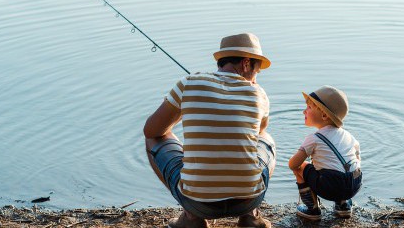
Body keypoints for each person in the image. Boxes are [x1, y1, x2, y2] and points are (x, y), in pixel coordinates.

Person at [143, 33, 276, 228]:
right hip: (248, 199)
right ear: (246, 63)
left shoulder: (189, 83)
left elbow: (151, 130)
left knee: (153, 139)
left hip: (198, 203)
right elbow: (260, 131)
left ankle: (191, 217)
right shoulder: (259, 94)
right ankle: (251, 216)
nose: (256, 77)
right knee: (267, 139)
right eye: (257, 70)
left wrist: (186, 109)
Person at [288, 85, 362, 220]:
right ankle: (343, 205)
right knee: (343, 167)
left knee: (301, 167)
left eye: (309, 108)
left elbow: (293, 164)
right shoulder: (349, 136)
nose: (304, 111)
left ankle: (312, 209)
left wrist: (306, 164)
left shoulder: (313, 138)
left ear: (324, 115)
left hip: (331, 186)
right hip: (355, 183)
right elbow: (357, 158)